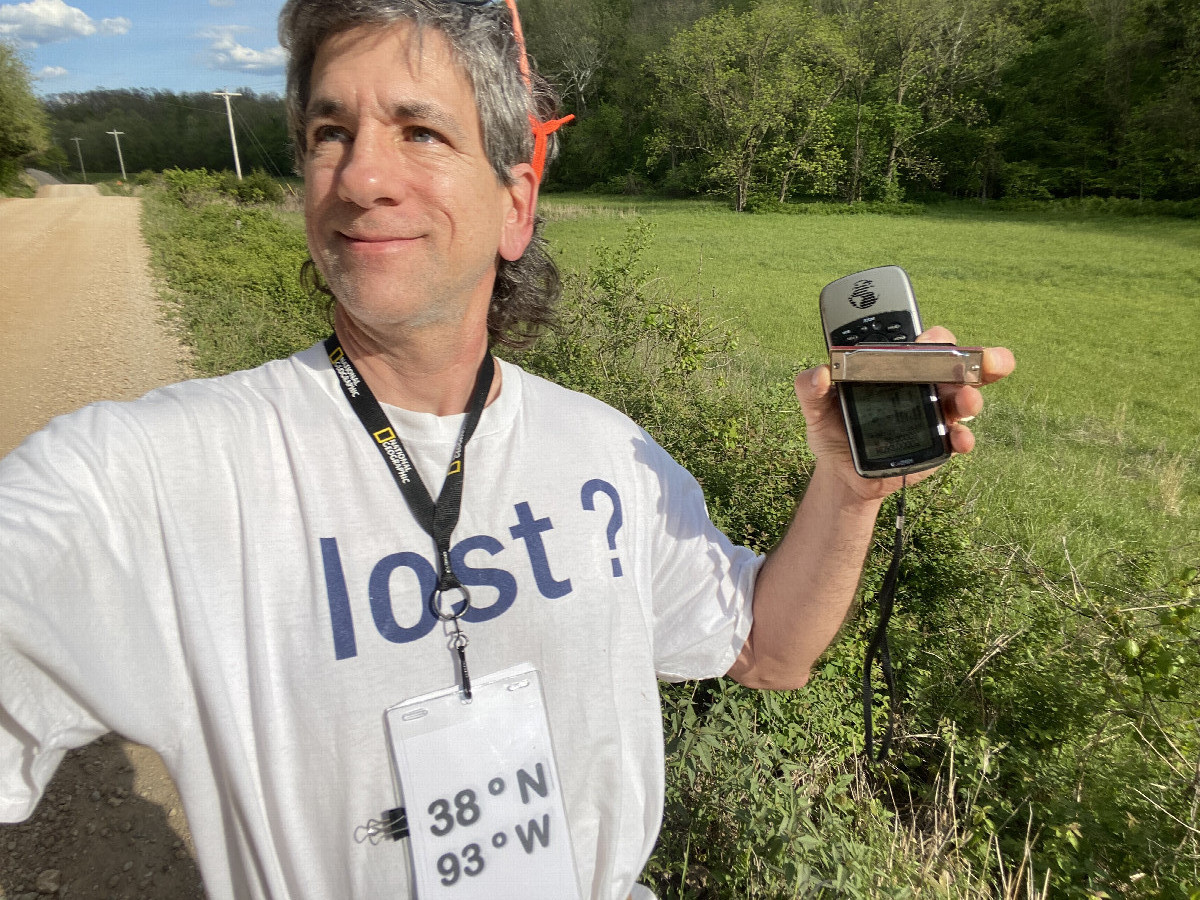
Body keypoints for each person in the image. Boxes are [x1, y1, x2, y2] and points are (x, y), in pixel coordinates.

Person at [0, 0, 1015, 897]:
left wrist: (847, 487)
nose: (362, 176)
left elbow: (768, 650)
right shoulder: (145, 481)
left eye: (419, 131)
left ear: (514, 203)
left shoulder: (606, 456)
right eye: (328, 132)